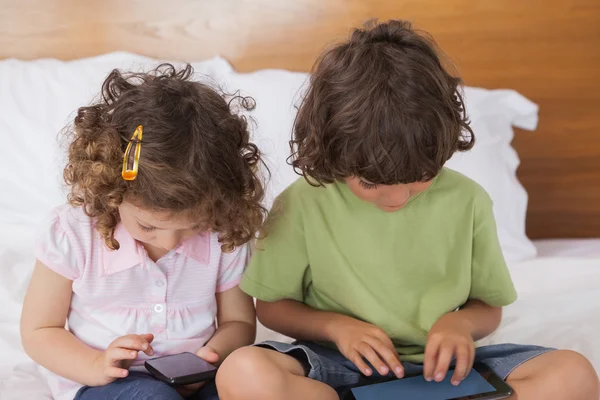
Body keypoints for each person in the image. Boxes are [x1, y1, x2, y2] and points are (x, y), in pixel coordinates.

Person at [216, 20, 600, 400]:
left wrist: (457, 325)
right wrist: (338, 329)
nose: (397, 199)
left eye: (420, 176)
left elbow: (488, 307)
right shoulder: (300, 203)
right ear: (332, 153)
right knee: (243, 371)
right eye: (370, 183)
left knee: (573, 374)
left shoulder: (469, 201)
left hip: (445, 367)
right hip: (337, 364)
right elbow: (272, 308)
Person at [20, 64, 265, 400]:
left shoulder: (222, 233)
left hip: (198, 378)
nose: (169, 241)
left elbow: (239, 323)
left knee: (257, 380)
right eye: (149, 226)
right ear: (111, 192)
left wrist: (209, 358)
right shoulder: (73, 233)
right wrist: (96, 364)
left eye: (191, 226)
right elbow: (39, 330)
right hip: (105, 383)